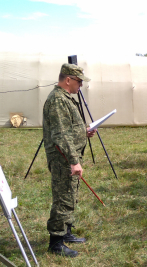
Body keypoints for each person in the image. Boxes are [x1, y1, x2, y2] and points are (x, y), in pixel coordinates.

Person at [43, 63, 96, 257]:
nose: (80, 85)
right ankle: (56, 242)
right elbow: (61, 134)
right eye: (79, 81)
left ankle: (66, 232)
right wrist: (74, 161)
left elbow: (69, 128)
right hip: (62, 158)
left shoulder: (65, 98)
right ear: (68, 80)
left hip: (68, 156)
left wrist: (84, 131)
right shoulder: (58, 100)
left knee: (70, 194)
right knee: (63, 198)